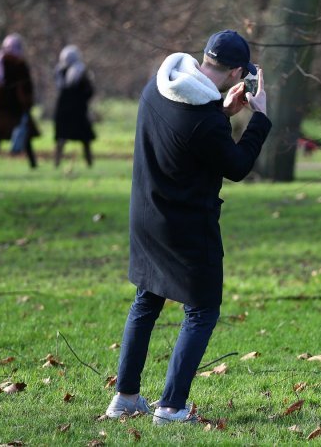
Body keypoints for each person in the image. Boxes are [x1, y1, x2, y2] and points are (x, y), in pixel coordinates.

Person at [105, 30, 271, 425]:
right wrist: (259, 118)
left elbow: (189, 138)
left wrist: (222, 112)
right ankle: (172, 406)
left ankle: (126, 397)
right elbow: (236, 166)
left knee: (146, 300)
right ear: (235, 73)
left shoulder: (159, 85)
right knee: (202, 310)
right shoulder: (204, 121)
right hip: (187, 227)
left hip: (146, 216)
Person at [0, 33, 40, 170]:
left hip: (2, 106)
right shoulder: (19, 63)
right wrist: (27, 104)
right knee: (24, 134)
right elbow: (26, 86)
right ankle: (33, 163)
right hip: (17, 106)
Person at [53, 45, 96, 167]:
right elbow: (89, 91)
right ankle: (89, 163)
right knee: (85, 140)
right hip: (79, 111)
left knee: (61, 138)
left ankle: (56, 163)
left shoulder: (59, 71)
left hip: (63, 110)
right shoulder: (81, 71)